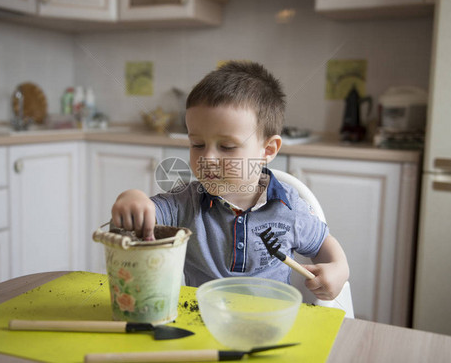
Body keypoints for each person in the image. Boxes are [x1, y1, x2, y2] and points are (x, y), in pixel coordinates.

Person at [111, 61, 349, 300]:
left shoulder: (288, 207)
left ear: (267, 150)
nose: (208, 158)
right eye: (197, 144)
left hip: (268, 325)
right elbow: (144, 216)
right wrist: (132, 198)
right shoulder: (185, 202)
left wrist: (339, 269)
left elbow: (322, 246)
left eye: (226, 146)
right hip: (200, 321)